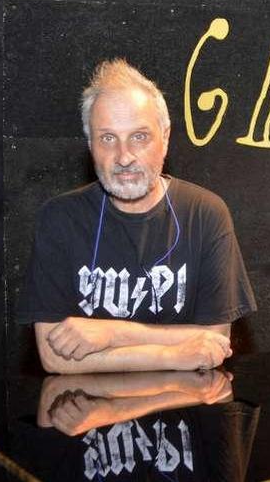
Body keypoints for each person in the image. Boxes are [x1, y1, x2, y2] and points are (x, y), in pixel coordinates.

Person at [17, 59, 256, 374]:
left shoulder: (205, 213)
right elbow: (53, 357)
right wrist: (172, 355)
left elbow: (215, 342)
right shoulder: (60, 218)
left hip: (188, 412)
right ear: (90, 144)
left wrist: (111, 333)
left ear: (165, 138)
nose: (124, 156)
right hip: (92, 412)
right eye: (108, 138)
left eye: (139, 137)